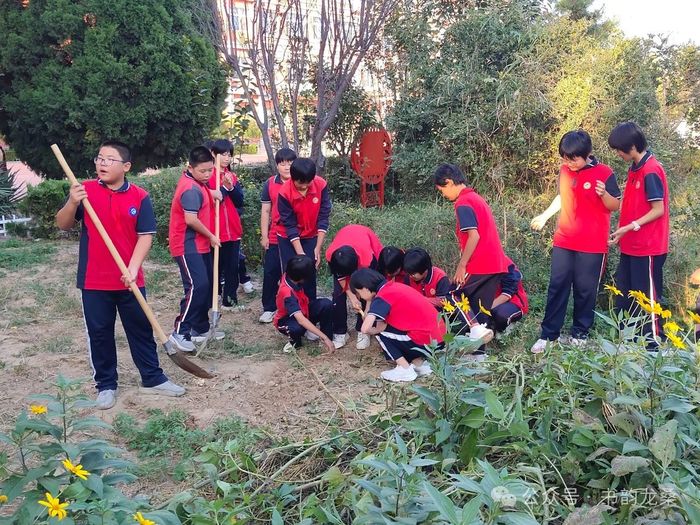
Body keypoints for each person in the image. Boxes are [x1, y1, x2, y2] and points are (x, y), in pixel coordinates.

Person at [56, 141, 184, 410]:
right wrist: (72, 201)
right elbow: (63, 224)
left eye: (109, 159)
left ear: (126, 166)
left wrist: (134, 267)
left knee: (140, 328)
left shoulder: (140, 196)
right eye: (99, 158)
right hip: (94, 279)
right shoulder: (86, 191)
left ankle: (153, 378)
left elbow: (145, 235)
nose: (101, 163)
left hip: (129, 279)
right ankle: (106, 385)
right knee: (99, 332)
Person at [529, 130, 621, 353]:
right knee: (557, 286)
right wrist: (544, 216)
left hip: (592, 244)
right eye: (565, 158)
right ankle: (548, 335)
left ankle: (580, 333)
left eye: (573, 159)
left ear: (587, 153)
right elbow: (562, 196)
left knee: (585, 289)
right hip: (564, 240)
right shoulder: (565, 171)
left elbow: (615, 205)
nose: (568, 163)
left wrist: (603, 194)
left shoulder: (605, 173)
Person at [607, 122, 669, 348]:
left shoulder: (651, 170)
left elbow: (657, 209)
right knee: (628, 295)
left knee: (648, 297)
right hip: (631, 245)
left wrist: (628, 227)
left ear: (632, 146)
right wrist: (621, 233)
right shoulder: (635, 168)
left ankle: (653, 342)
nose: (618, 153)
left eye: (619, 149)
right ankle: (632, 340)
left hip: (649, 247)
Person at [433, 163, 505, 354]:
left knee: (452, 294)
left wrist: (462, 265)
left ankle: (475, 329)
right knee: (479, 309)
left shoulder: (463, 203)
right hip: (495, 264)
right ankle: (478, 356)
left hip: (480, 263)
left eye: (442, 191)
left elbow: (474, 236)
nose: (444, 195)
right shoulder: (476, 198)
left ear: (448, 182)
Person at [169, 146, 223, 352]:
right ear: (190, 168)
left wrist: (212, 192)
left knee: (207, 286)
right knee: (197, 285)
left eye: (210, 170)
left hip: (199, 244)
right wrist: (211, 236)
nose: (208, 174)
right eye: (203, 171)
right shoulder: (190, 189)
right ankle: (180, 331)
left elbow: (202, 193)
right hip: (186, 244)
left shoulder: (198, 184)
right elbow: (190, 219)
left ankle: (200, 328)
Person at [350, 269, 445, 382]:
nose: (359, 297)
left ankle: (404, 369)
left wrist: (368, 320)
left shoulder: (382, 296)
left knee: (381, 334)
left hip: (427, 341)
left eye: (358, 293)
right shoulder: (393, 287)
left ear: (364, 288)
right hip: (438, 338)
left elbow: (365, 329)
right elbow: (382, 324)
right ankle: (418, 364)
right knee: (390, 329)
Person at [277, 158, 332, 301]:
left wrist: (317, 248)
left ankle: (310, 311)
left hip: (311, 235)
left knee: (309, 272)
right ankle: (292, 310)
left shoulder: (321, 185)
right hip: (288, 237)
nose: (305, 186)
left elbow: (323, 216)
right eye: (301, 183)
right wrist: (301, 255)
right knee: (293, 273)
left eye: (308, 182)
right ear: (292, 178)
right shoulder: (284, 193)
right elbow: (289, 225)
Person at [325, 224, 384, 349]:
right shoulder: (333, 256)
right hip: (346, 237)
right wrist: (352, 297)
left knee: (363, 293)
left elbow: (370, 290)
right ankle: (340, 332)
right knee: (338, 294)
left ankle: (363, 330)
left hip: (366, 244)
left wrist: (366, 306)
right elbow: (340, 276)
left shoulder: (367, 259)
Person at [259, 147, 297, 323]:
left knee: (293, 271)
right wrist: (264, 235)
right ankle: (269, 307)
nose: (287, 167)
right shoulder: (270, 183)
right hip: (276, 235)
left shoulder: (300, 181)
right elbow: (266, 210)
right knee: (271, 271)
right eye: (282, 163)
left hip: (297, 235)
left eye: (290, 163)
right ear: (277, 165)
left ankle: (294, 306)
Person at [207, 139, 244, 310]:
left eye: (229, 155)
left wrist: (231, 187)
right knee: (214, 266)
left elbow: (239, 201)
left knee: (232, 266)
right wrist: (223, 188)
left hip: (233, 230)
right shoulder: (208, 175)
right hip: (215, 229)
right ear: (214, 154)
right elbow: (213, 200)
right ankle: (214, 297)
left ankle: (230, 299)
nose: (227, 158)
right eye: (223, 154)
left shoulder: (231, 176)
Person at [274, 256, 335, 353]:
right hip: (287, 319)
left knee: (326, 304)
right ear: (302, 278)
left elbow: (278, 282)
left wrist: (326, 336)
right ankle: (295, 342)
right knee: (296, 328)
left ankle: (325, 335)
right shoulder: (288, 294)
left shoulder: (289, 273)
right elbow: (301, 320)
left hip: (304, 309)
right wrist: (324, 338)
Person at [489, 257, 529, 333]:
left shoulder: (507, 265)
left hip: (513, 301)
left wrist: (486, 309)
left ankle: (504, 330)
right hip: (489, 300)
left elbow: (507, 294)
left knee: (500, 315)